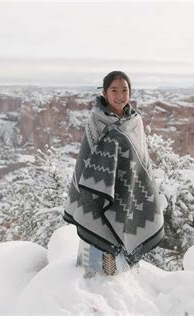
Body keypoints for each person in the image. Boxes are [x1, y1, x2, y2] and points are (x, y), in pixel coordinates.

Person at [63, 71, 164, 277]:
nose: (120, 96)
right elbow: (87, 157)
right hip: (97, 191)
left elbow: (141, 161)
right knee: (93, 257)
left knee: (117, 269)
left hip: (127, 190)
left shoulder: (135, 121)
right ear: (105, 93)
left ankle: (117, 280)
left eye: (124, 90)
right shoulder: (96, 120)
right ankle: (89, 280)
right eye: (114, 90)